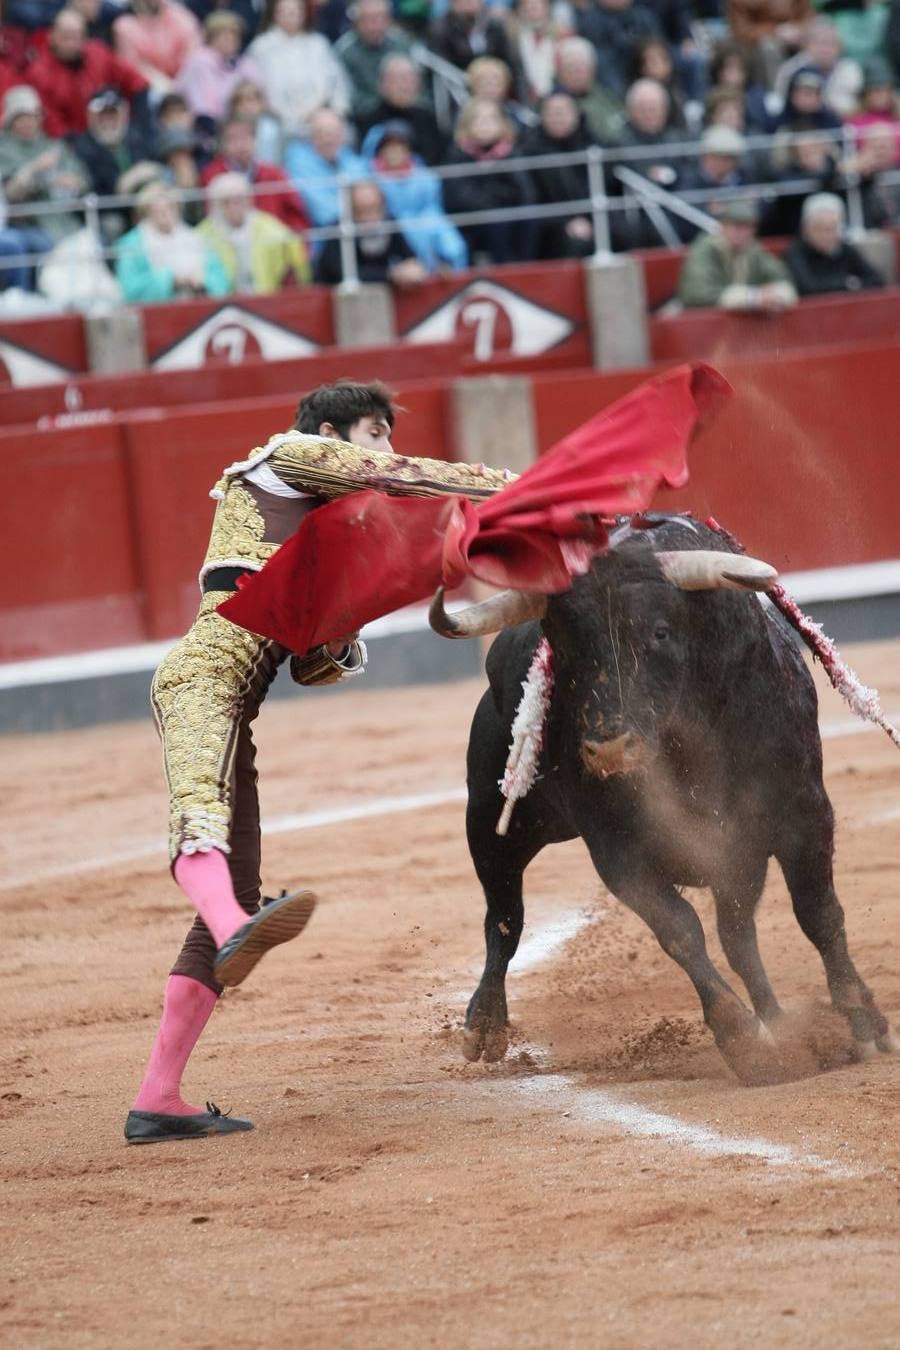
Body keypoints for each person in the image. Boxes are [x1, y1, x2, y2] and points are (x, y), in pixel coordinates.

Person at [125, 380, 514, 1143]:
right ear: (333, 432)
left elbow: (314, 664)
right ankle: (234, 922)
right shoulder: (285, 458)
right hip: (202, 676)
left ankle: (158, 1099)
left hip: (240, 704)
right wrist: (513, 487)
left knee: (232, 892)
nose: (387, 447)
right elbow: (395, 480)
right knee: (200, 819)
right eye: (376, 430)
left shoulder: (314, 536)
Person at [26, 7, 150, 138]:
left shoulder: (98, 53)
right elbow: (52, 123)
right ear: (51, 36)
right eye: (66, 37)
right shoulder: (38, 73)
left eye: (78, 36)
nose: (72, 43)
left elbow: (137, 82)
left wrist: (137, 125)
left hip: (112, 129)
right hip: (73, 141)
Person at [361, 118, 467, 270]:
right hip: (389, 233)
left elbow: (434, 209)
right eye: (389, 146)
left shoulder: (426, 178)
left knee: (452, 243)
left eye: (399, 146)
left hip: (427, 225)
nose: (394, 152)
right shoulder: (370, 181)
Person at [442, 96, 536, 263]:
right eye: (478, 119)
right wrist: (497, 200)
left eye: (491, 119)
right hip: (474, 221)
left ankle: (524, 268)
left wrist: (499, 199)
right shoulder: (457, 154)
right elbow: (460, 197)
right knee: (496, 221)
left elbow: (524, 192)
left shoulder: (511, 152)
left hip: (508, 216)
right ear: (467, 124)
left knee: (530, 219)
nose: (485, 124)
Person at [247, 0, 350, 144]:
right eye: (284, 12)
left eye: (294, 12)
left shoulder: (318, 44)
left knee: (343, 130)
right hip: (275, 118)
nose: (290, 17)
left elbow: (337, 83)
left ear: (303, 14)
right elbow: (254, 88)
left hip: (317, 116)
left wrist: (336, 112)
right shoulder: (261, 47)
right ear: (275, 14)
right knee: (266, 135)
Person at [0, 84, 89, 248]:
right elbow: (9, 193)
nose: (28, 122)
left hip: (65, 219)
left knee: (96, 241)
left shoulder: (52, 145)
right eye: (22, 117)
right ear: (11, 120)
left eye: (33, 116)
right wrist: (35, 168)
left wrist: (74, 182)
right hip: (28, 223)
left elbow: (83, 180)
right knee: (44, 246)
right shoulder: (4, 149)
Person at [115, 180, 230, 301]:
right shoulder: (131, 244)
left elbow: (221, 281)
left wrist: (203, 281)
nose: (165, 214)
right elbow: (129, 289)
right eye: (157, 210)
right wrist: (170, 280)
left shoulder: (196, 239)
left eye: (170, 208)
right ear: (146, 212)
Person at [198, 169, 311, 290]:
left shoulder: (269, 227)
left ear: (248, 200)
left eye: (239, 200)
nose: (233, 207)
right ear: (216, 205)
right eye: (226, 202)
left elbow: (296, 261)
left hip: (267, 299)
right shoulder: (203, 234)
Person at [678, 196, 798, 310]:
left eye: (748, 228)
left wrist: (777, 296)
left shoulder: (753, 249)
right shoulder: (705, 249)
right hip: (698, 323)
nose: (742, 233)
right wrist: (752, 298)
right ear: (723, 227)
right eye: (737, 227)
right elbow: (697, 294)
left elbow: (782, 277)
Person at [201, 115, 310, 233]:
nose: (240, 145)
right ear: (222, 144)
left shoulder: (275, 174)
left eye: (246, 137)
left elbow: (297, 217)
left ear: (256, 140)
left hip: (273, 244)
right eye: (232, 139)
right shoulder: (211, 176)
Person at [520, 91, 596, 257]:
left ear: (576, 115)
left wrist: (589, 220)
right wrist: (566, 222)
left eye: (564, 111)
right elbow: (531, 200)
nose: (559, 117)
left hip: (592, 218)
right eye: (553, 112)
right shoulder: (529, 152)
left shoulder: (592, 145)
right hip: (550, 225)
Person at [313, 177, 428, 284]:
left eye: (375, 209)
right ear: (350, 211)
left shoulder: (389, 222)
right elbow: (345, 274)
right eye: (361, 211)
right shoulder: (339, 231)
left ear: (383, 205)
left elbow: (410, 257)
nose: (369, 219)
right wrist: (391, 274)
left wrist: (412, 269)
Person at [783, 191, 885, 295]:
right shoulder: (796, 253)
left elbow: (876, 280)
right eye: (819, 228)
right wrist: (847, 284)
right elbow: (808, 288)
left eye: (831, 228)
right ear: (806, 229)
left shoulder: (845, 249)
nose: (826, 235)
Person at [355, 54, 447, 166]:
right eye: (399, 80)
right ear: (382, 84)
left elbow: (439, 159)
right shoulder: (367, 120)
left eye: (410, 80)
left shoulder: (427, 119)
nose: (405, 86)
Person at [174, 12, 262, 126]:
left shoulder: (246, 64)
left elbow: (260, 98)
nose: (229, 39)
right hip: (205, 129)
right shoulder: (199, 63)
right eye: (223, 35)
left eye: (234, 34)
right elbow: (203, 111)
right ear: (211, 38)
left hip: (242, 127)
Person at [284, 106, 365, 228]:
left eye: (333, 133)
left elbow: (367, 197)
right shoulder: (298, 162)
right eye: (321, 133)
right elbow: (322, 212)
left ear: (342, 135)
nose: (328, 139)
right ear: (311, 136)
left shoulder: (351, 160)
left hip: (356, 229)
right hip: (321, 236)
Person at [334, 0, 412, 123]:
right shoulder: (344, 51)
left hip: (405, 112)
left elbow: (419, 88)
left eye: (381, 18)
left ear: (389, 20)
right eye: (368, 19)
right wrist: (386, 100)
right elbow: (346, 97)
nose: (375, 25)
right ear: (356, 22)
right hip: (363, 118)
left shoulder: (402, 44)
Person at [575, 0, 662, 100]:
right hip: (609, 82)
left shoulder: (643, 16)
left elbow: (657, 47)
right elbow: (601, 62)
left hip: (642, 79)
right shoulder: (590, 20)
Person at [113, 0, 202, 96]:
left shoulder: (181, 16)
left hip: (184, 80)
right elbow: (134, 65)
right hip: (151, 88)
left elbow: (193, 52)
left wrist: (180, 82)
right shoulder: (124, 25)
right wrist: (166, 85)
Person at [554, 35, 624, 143]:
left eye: (580, 68)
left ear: (592, 69)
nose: (576, 74)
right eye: (571, 68)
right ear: (560, 72)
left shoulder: (607, 97)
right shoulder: (551, 104)